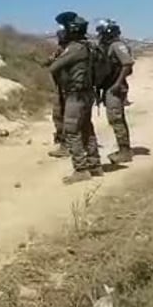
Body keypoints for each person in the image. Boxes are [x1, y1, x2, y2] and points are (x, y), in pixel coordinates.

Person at [49, 11, 102, 184]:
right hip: (86, 93)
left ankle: (81, 169)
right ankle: (95, 164)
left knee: (71, 131)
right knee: (87, 128)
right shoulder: (87, 46)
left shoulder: (74, 48)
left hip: (76, 95)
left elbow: (54, 67)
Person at [95, 19, 135, 164]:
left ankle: (125, 151)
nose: (99, 35)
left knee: (116, 118)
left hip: (114, 86)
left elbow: (127, 63)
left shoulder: (117, 45)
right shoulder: (106, 46)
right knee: (115, 118)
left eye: (101, 31)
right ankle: (124, 149)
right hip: (109, 86)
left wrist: (117, 84)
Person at [47, 27, 69, 158]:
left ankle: (66, 145)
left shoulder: (71, 50)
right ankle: (62, 140)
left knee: (66, 117)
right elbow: (49, 62)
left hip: (69, 89)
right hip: (61, 87)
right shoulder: (60, 49)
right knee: (58, 115)